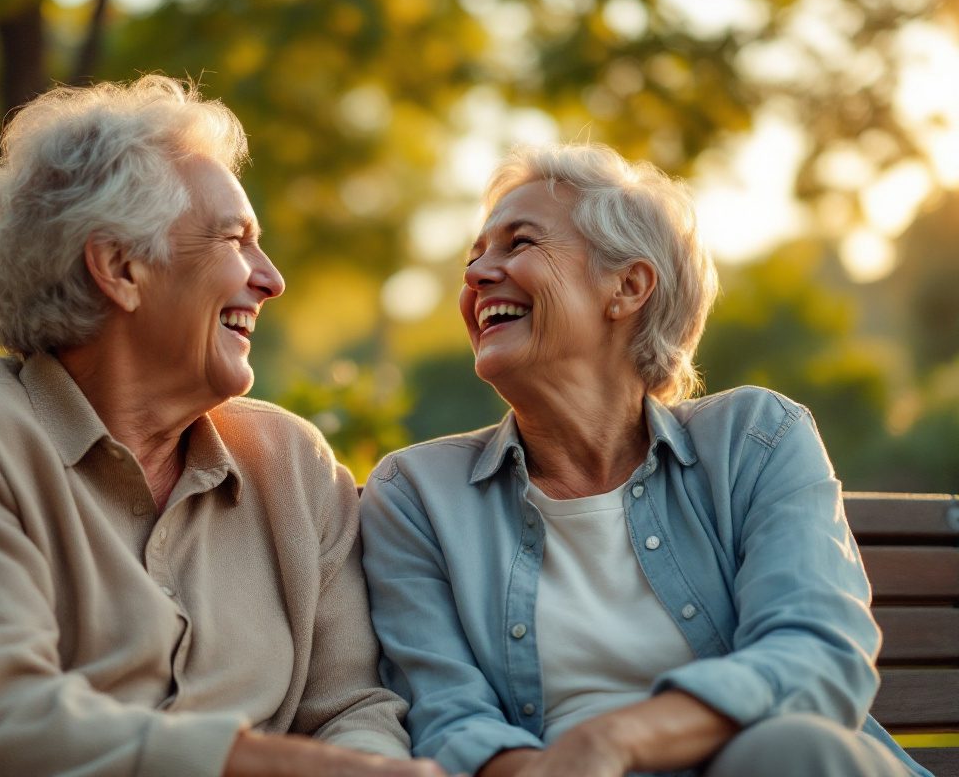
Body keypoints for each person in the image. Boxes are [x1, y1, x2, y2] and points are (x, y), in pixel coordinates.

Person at [0, 75, 445, 777]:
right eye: (236, 239)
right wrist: (277, 768)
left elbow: (351, 709)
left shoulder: (291, 463)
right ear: (120, 268)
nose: (270, 279)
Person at [360, 143, 931, 777]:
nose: (476, 275)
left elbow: (817, 658)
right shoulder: (418, 495)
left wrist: (613, 742)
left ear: (628, 286)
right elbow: (449, 718)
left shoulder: (755, 439)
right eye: (474, 257)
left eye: (519, 244)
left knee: (790, 751)